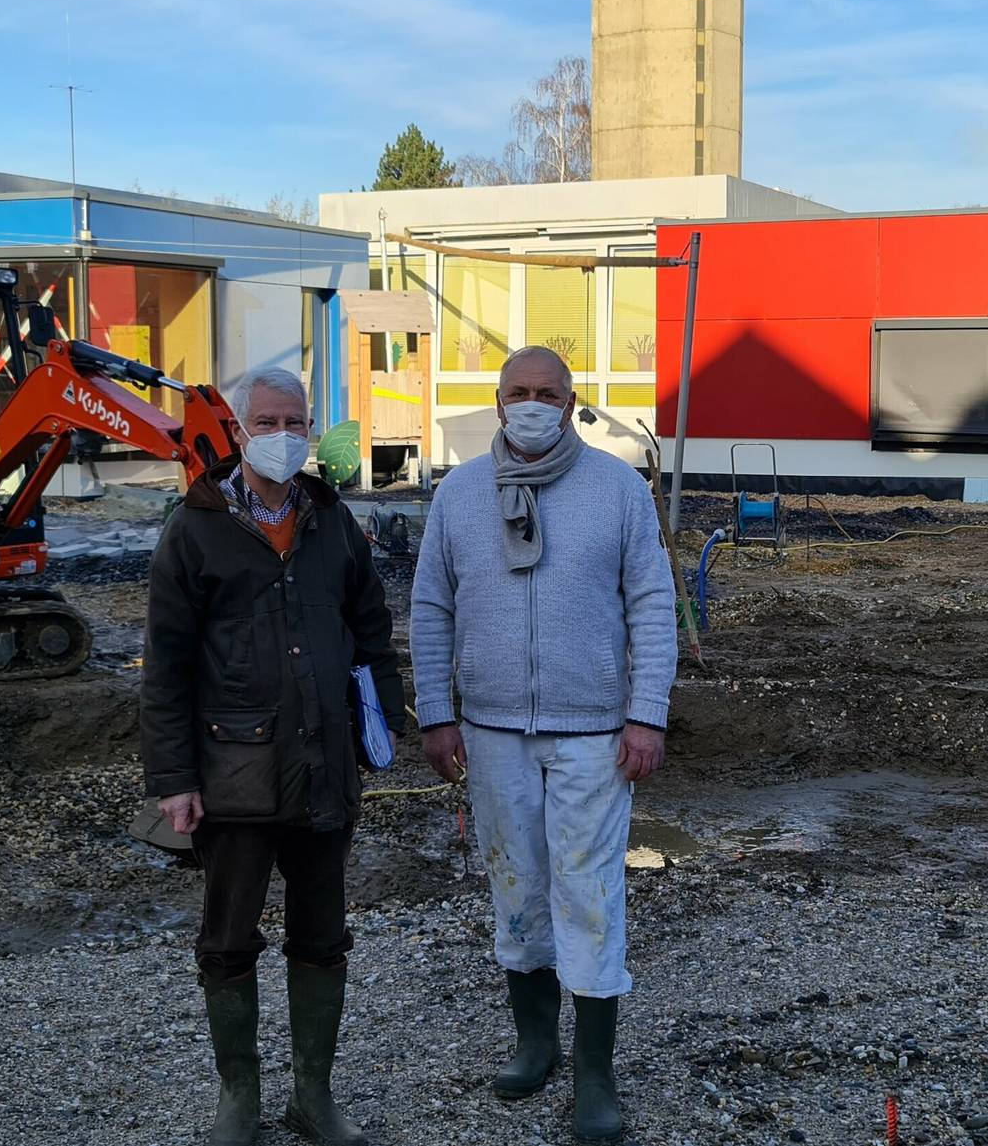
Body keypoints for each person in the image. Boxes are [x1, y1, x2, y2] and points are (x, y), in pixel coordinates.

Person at [410, 345, 677, 1144]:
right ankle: (536, 1043)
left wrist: (647, 713)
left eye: (547, 393)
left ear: (571, 403)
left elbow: (653, 606)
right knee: (518, 890)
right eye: (518, 392)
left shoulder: (619, 490)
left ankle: (596, 1072)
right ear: (498, 404)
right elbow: (430, 607)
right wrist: (435, 711)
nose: (532, 404)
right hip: (491, 733)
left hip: (595, 733)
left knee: (590, 898)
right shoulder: (458, 495)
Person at [142, 365, 403, 1146]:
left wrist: (381, 726)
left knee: (323, 936)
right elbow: (167, 667)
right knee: (228, 940)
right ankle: (239, 1100)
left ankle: (313, 1096)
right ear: (241, 428)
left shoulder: (332, 521)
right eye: (269, 419)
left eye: (296, 420)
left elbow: (373, 630)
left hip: (326, 771)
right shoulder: (196, 528)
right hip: (234, 778)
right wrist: (174, 780)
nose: (284, 434)